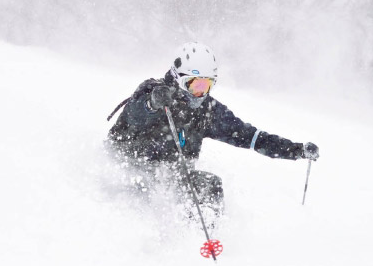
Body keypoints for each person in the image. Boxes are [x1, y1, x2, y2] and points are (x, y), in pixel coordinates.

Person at [106, 42, 319, 220]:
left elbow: (250, 137)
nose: (200, 93)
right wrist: (152, 104)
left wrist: (295, 150)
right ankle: (139, 237)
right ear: (178, 78)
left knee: (209, 185)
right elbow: (134, 116)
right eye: (195, 85)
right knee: (141, 192)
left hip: (172, 176)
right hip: (130, 167)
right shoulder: (155, 93)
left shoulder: (207, 111)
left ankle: (199, 238)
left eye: (206, 86)